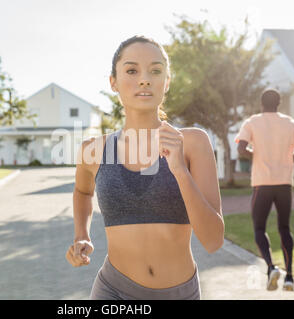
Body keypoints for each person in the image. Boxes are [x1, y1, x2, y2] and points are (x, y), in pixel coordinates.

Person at [65, 35, 224, 300]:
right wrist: (82, 235)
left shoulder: (193, 142)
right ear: (113, 82)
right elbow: (82, 192)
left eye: (155, 70)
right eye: (131, 70)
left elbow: (213, 241)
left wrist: (180, 171)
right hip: (112, 290)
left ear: (167, 82)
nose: (144, 79)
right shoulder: (93, 150)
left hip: (180, 294)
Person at [235, 89, 294, 291]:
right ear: (279, 103)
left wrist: (256, 157)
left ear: (261, 103)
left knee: (259, 228)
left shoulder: (251, 122)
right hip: (284, 183)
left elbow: (241, 148)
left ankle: (270, 267)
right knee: (284, 228)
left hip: (262, 183)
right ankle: (290, 277)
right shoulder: (291, 123)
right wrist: (286, 162)